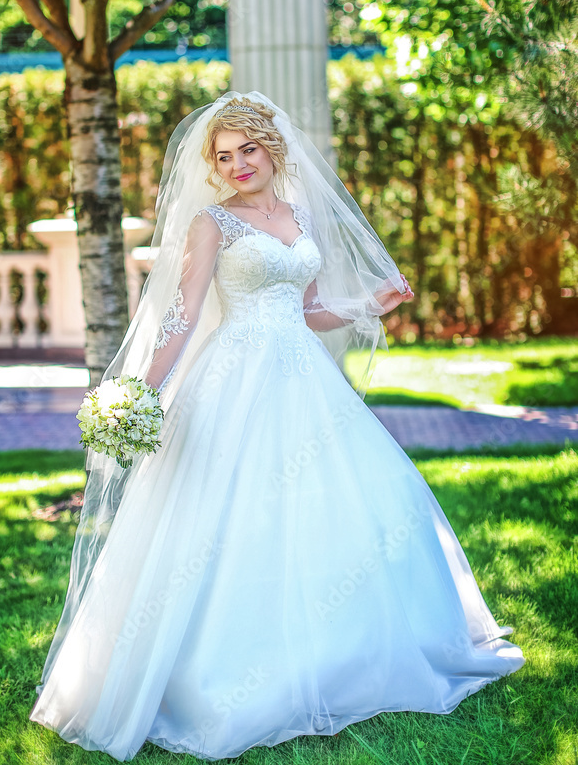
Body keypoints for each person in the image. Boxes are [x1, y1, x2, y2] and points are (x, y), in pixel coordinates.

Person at [29, 91, 524, 761]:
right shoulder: (212, 224)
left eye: (247, 151)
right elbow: (181, 315)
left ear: (273, 148)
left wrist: (365, 304)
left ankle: (342, 654)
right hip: (233, 381)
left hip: (305, 382)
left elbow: (309, 309)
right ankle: (216, 675)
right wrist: (138, 392)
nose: (236, 165)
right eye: (224, 156)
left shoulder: (297, 215)